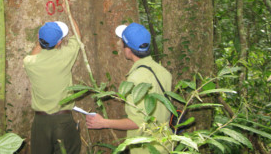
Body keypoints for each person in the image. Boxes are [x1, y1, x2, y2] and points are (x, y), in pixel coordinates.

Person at [86, 22, 172, 154]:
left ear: (128, 49)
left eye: (122, 42)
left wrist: (103, 122)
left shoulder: (135, 79)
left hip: (146, 149)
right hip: (166, 144)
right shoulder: (163, 72)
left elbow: (137, 122)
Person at [23, 11, 82, 154]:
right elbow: (77, 36)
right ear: (60, 42)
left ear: (38, 37)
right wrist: (69, 12)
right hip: (63, 120)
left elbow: (34, 54)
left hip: (40, 123)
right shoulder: (65, 55)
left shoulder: (30, 63)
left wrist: (41, 40)